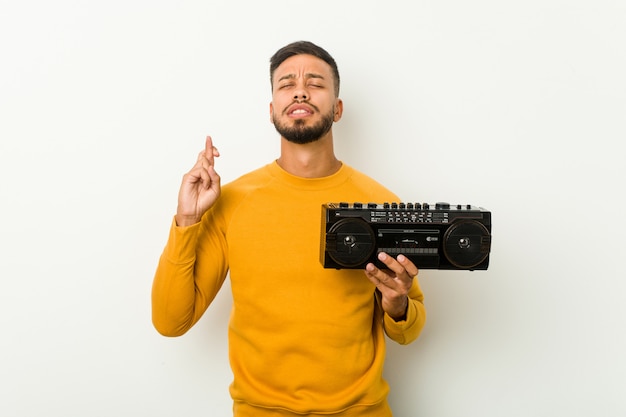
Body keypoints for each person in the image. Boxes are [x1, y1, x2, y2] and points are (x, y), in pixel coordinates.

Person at [151, 40, 426, 417]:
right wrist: (186, 221)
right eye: (286, 84)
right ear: (272, 110)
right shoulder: (230, 203)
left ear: (338, 108)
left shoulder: (382, 206)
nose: (300, 89)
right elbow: (170, 322)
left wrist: (396, 306)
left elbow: (410, 329)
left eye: (315, 83)